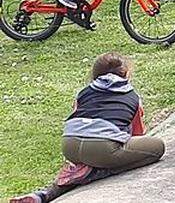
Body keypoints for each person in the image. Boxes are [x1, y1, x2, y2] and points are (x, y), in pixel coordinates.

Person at [10, 53, 165, 203]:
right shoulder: (132, 96)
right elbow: (138, 133)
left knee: (86, 163)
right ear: (126, 74)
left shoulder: (84, 92)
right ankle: (97, 172)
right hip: (102, 148)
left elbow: (76, 114)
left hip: (69, 146)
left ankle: (43, 195)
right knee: (157, 147)